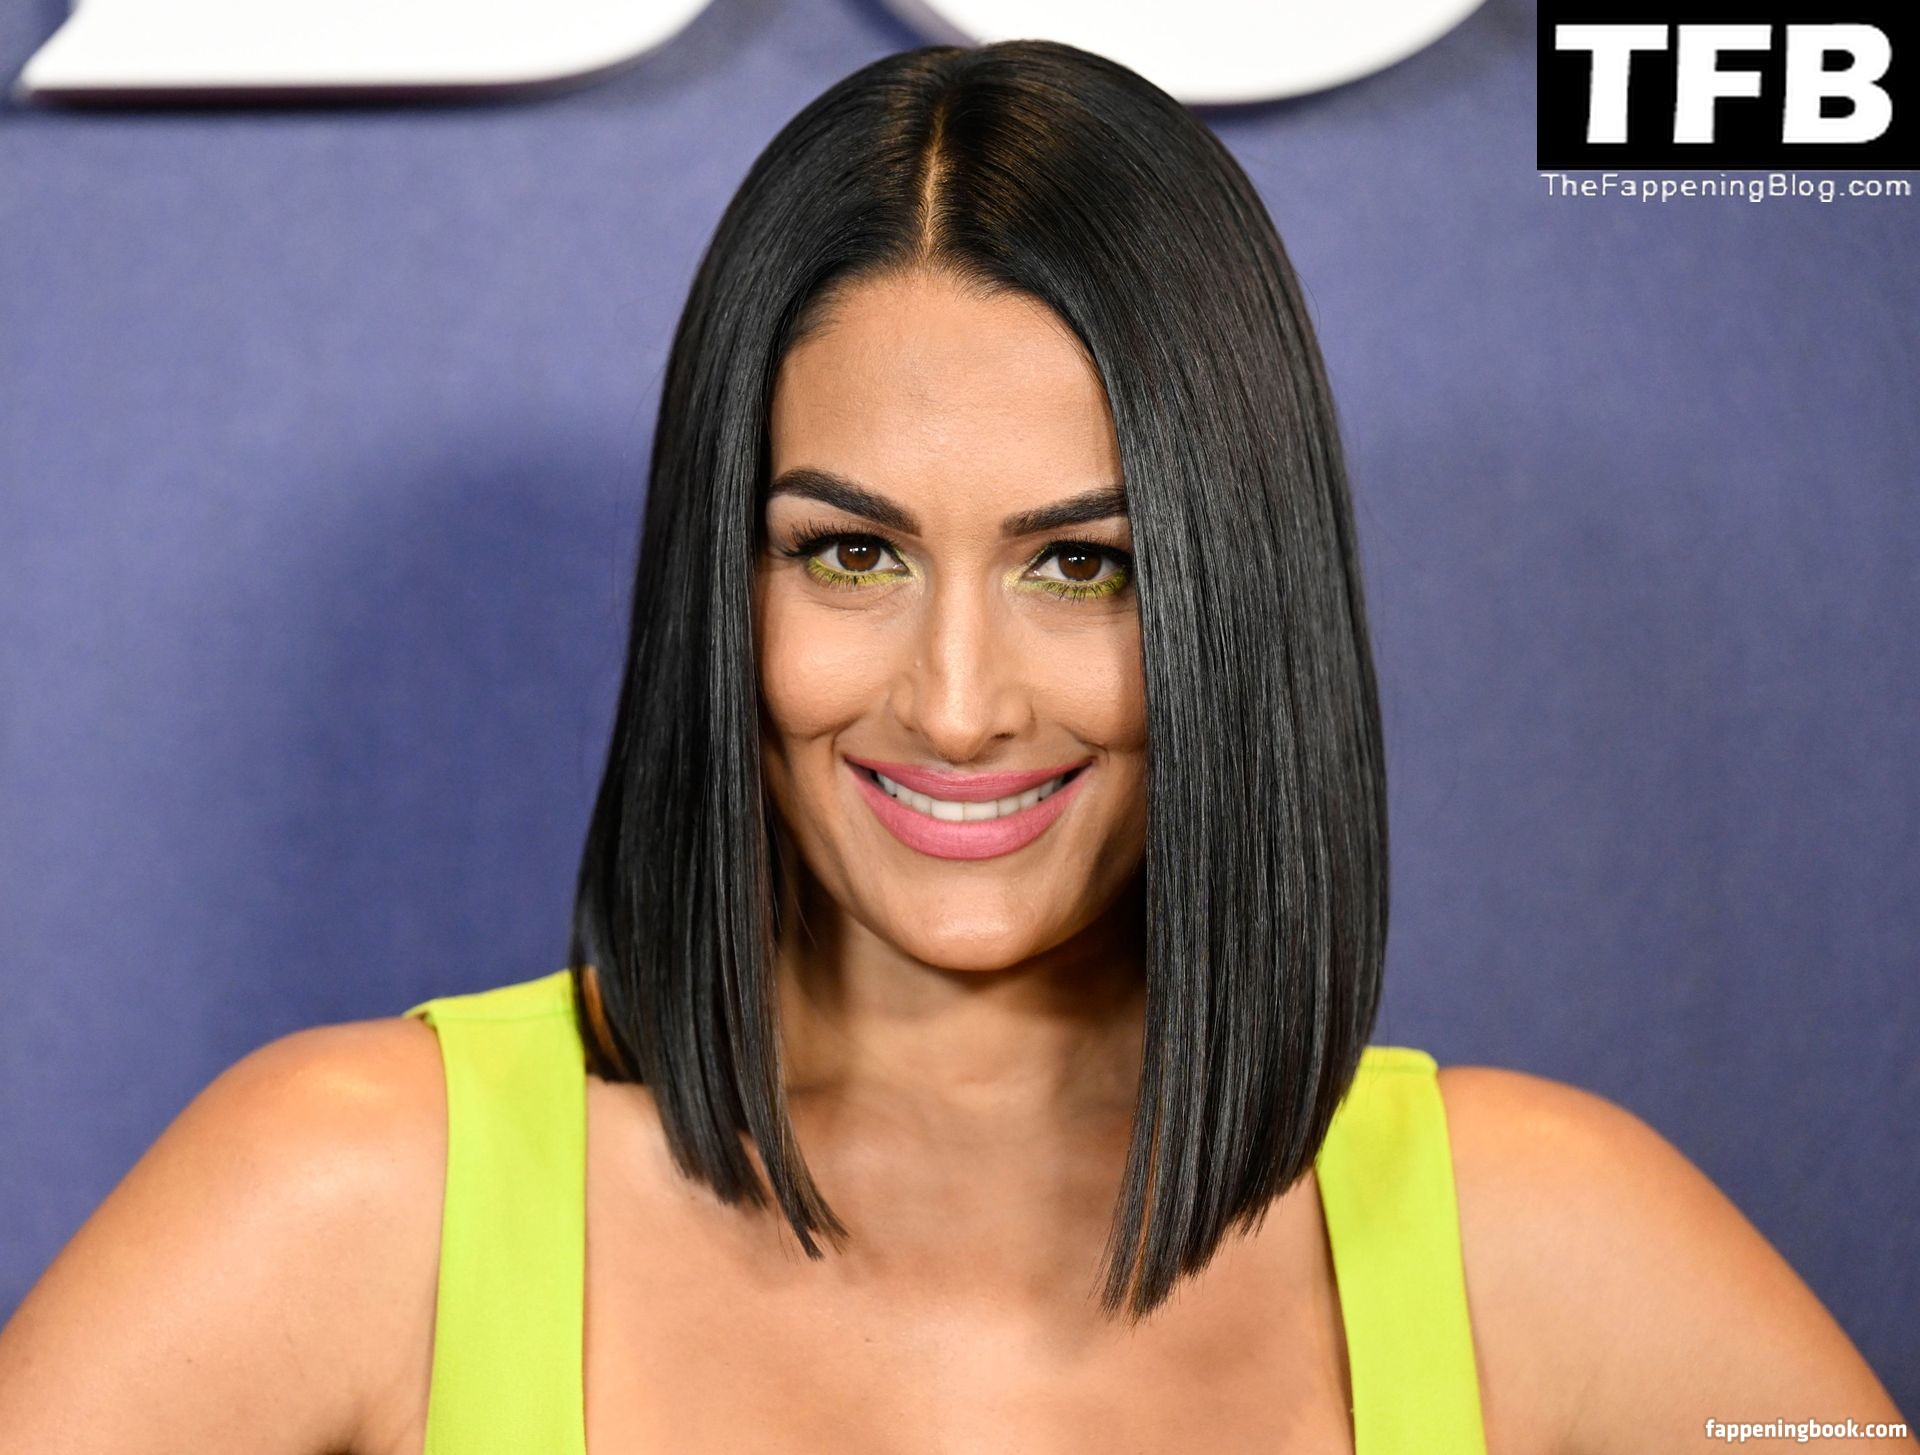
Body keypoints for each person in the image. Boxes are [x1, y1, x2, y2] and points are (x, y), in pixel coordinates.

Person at [0, 38, 1908, 1455]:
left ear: (1241, 600)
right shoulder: (353, 1198)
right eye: (851, 554)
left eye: (1086, 566)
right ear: (720, 586)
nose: (959, 700)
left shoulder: (1546, 1243)